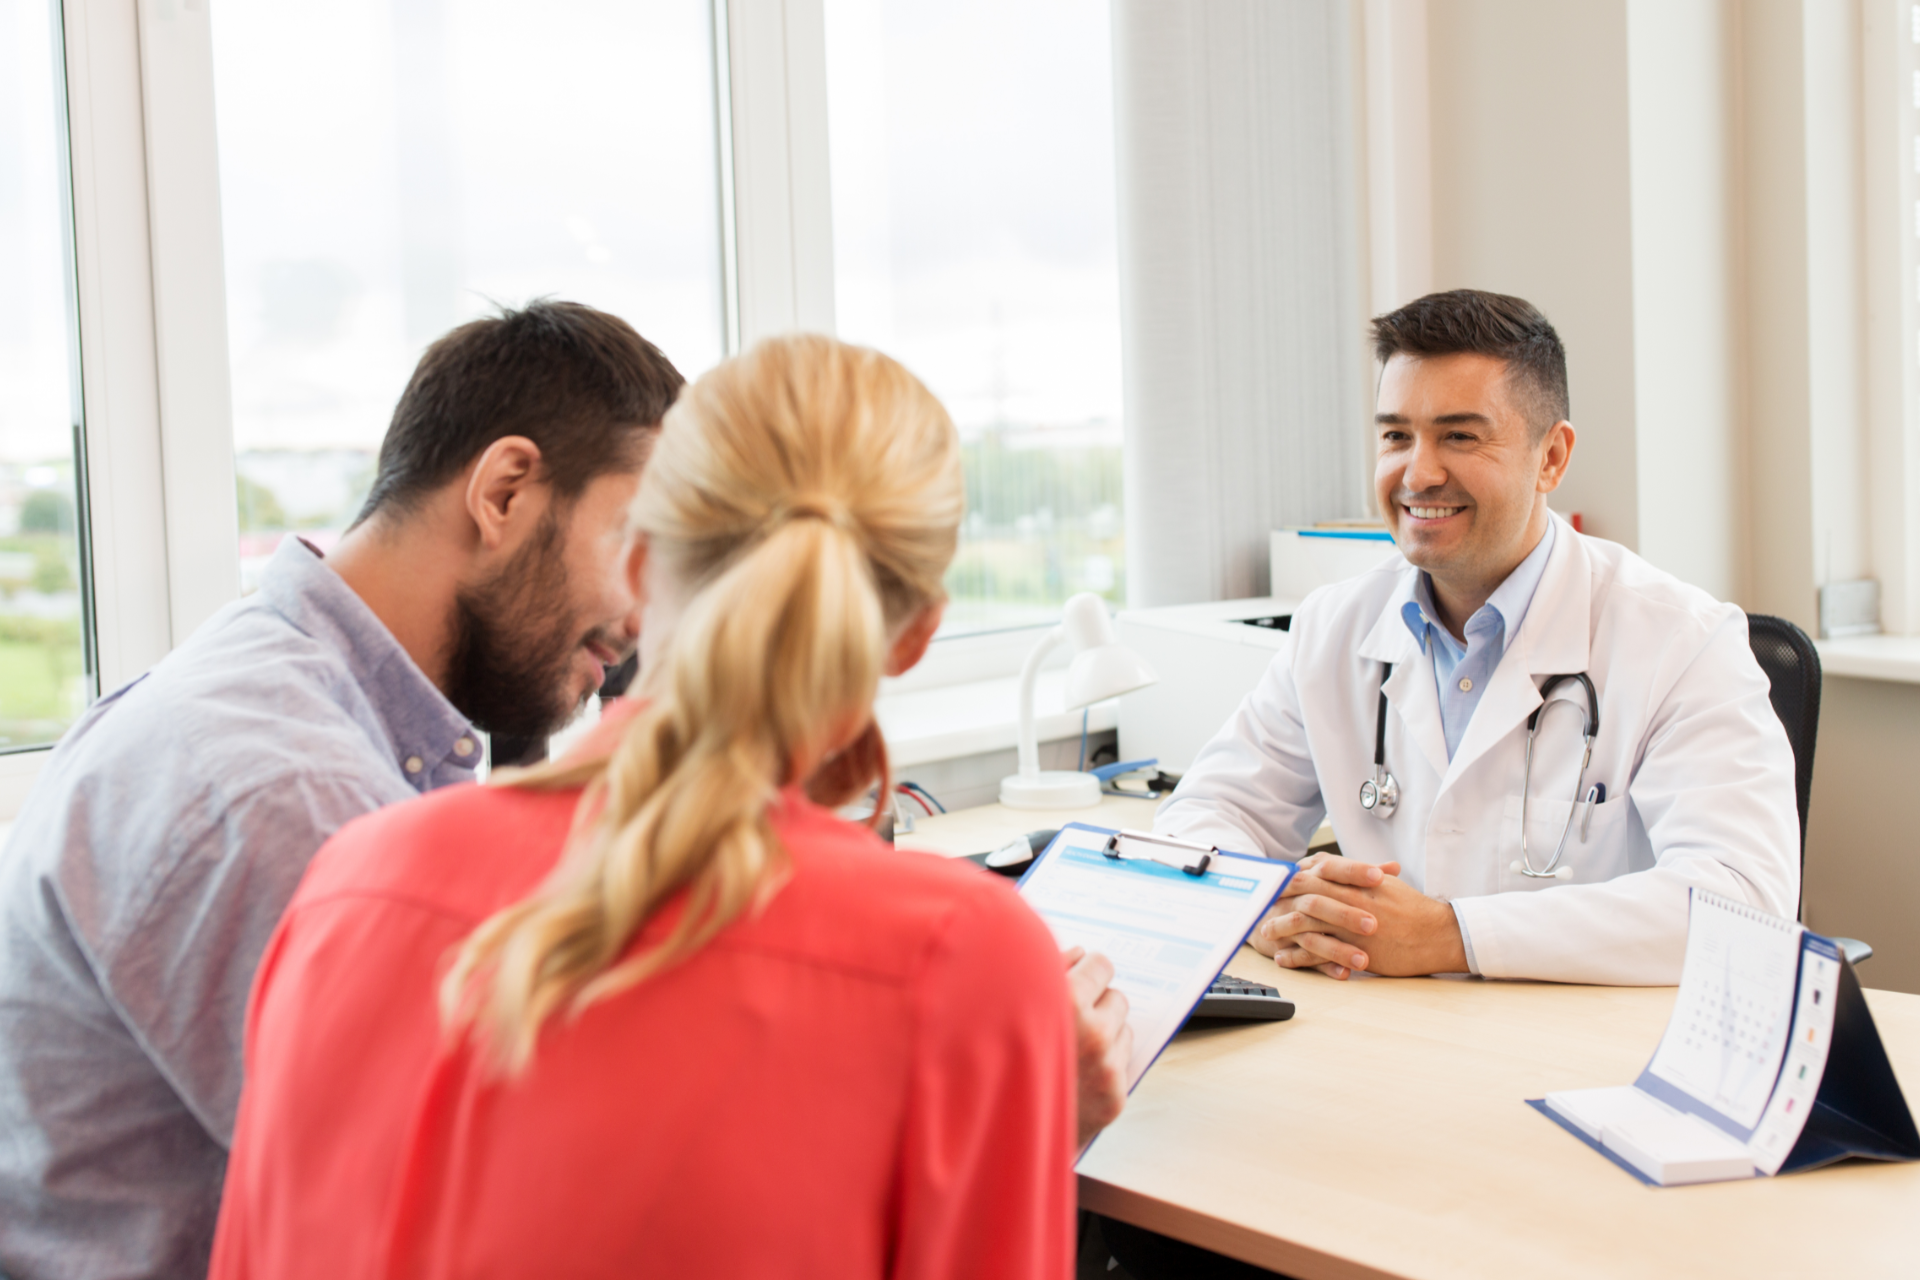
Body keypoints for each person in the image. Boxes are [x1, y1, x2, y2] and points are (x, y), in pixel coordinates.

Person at [209, 335, 1082, 1278]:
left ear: (639, 568)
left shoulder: (353, 877)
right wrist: (1032, 1102)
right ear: (916, 635)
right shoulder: (960, 963)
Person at [0, 301, 684, 1280]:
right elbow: (460, 1223)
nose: (642, 615)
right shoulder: (280, 787)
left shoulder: (305, 704)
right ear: (504, 491)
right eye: (637, 545)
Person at [1157, 289, 1799, 985]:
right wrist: (1270, 905)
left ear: (1551, 457)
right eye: (1396, 436)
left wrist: (1453, 936)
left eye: (1459, 436)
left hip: (1588, 1054)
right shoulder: (1334, 627)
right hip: (1386, 1038)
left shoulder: (1682, 640)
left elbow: (1745, 903)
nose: (1419, 473)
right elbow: (1205, 813)